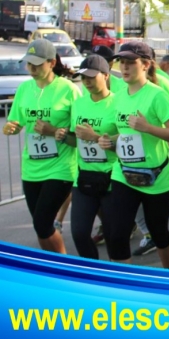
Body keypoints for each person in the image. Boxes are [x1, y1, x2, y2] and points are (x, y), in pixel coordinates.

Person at [97, 42, 169, 268]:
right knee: (117, 234)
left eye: (130, 63)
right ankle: (123, 283)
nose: (124, 68)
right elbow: (125, 135)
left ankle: (168, 274)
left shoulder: (157, 96)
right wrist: (108, 140)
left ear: (145, 65)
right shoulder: (118, 97)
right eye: (121, 62)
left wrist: (148, 128)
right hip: (124, 173)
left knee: (158, 232)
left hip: (156, 176)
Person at [3, 39, 81, 254]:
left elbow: (80, 134)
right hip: (31, 168)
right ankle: (52, 263)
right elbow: (16, 122)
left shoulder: (68, 89)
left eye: (37, 64)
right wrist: (11, 128)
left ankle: (64, 264)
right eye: (29, 63)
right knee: (41, 227)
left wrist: (53, 131)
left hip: (60, 167)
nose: (32, 68)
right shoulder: (24, 89)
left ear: (51, 62)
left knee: (42, 223)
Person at [55, 55, 118, 260]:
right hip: (84, 177)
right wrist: (63, 136)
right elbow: (77, 140)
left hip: (112, 178)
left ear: (106, 76)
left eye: (91, 76)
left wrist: (96, 137)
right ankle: (93, 270)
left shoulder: (118, 103)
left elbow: (127, 143)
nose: (87, 81)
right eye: (83, 77)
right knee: (80, 233)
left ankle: (115, 272)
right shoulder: (79, 104)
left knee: (113, 236)